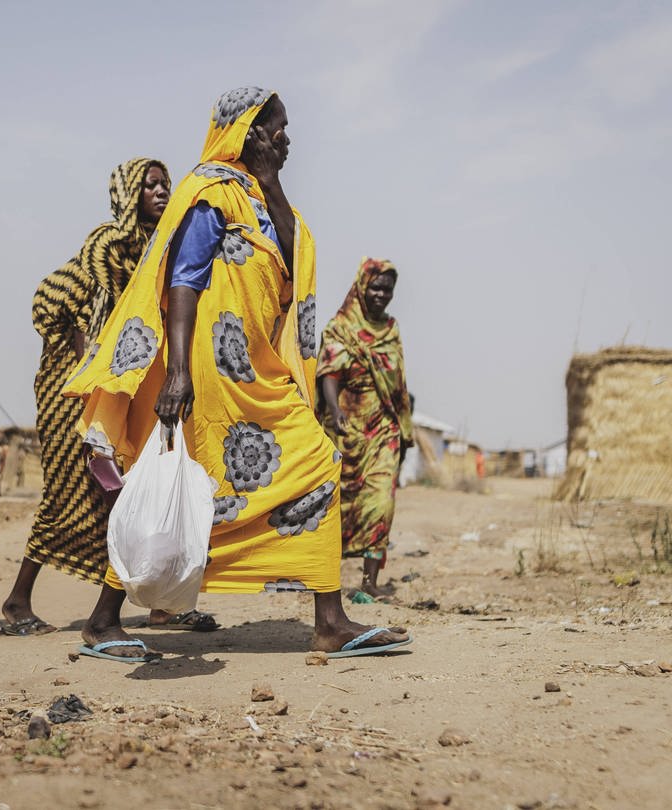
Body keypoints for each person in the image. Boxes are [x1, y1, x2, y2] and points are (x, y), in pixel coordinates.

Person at [62, 87, 411, 663]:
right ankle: (104, 620)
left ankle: (329, 622)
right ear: (250, 133)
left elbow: (295, 260)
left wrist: (272, 181)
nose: (289, 138)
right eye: (278, 129)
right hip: (206, 374)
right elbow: (183, 281)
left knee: (277, 475)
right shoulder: (210, 194)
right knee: (184, 486)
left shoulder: (262, 200)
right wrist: (175, 372)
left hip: (255, 371)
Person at [2, 159, 221, 636]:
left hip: (132, 384)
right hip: (78, 388)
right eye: (150, 185)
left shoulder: (160, 246)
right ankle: (18, 600)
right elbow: (62, 304)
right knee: (71, 494)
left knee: (141, 491)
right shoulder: (108, 244)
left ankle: (162, 604)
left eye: (165, 183)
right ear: (127, 194)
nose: (162, 192)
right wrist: (91, 360)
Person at [318, 258, 414, 598]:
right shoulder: (341, 328)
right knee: (340, 504)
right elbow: (328, 374)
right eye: (375, 287)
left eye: (387, 290)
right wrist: (333, 408)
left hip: (385, 427)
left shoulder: (391, 329)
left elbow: (398, 383)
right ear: (361, 286)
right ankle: (324, 578)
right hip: (348, 427)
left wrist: (403, 426)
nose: (381, 295)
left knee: (381, 502)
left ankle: (370, 582)